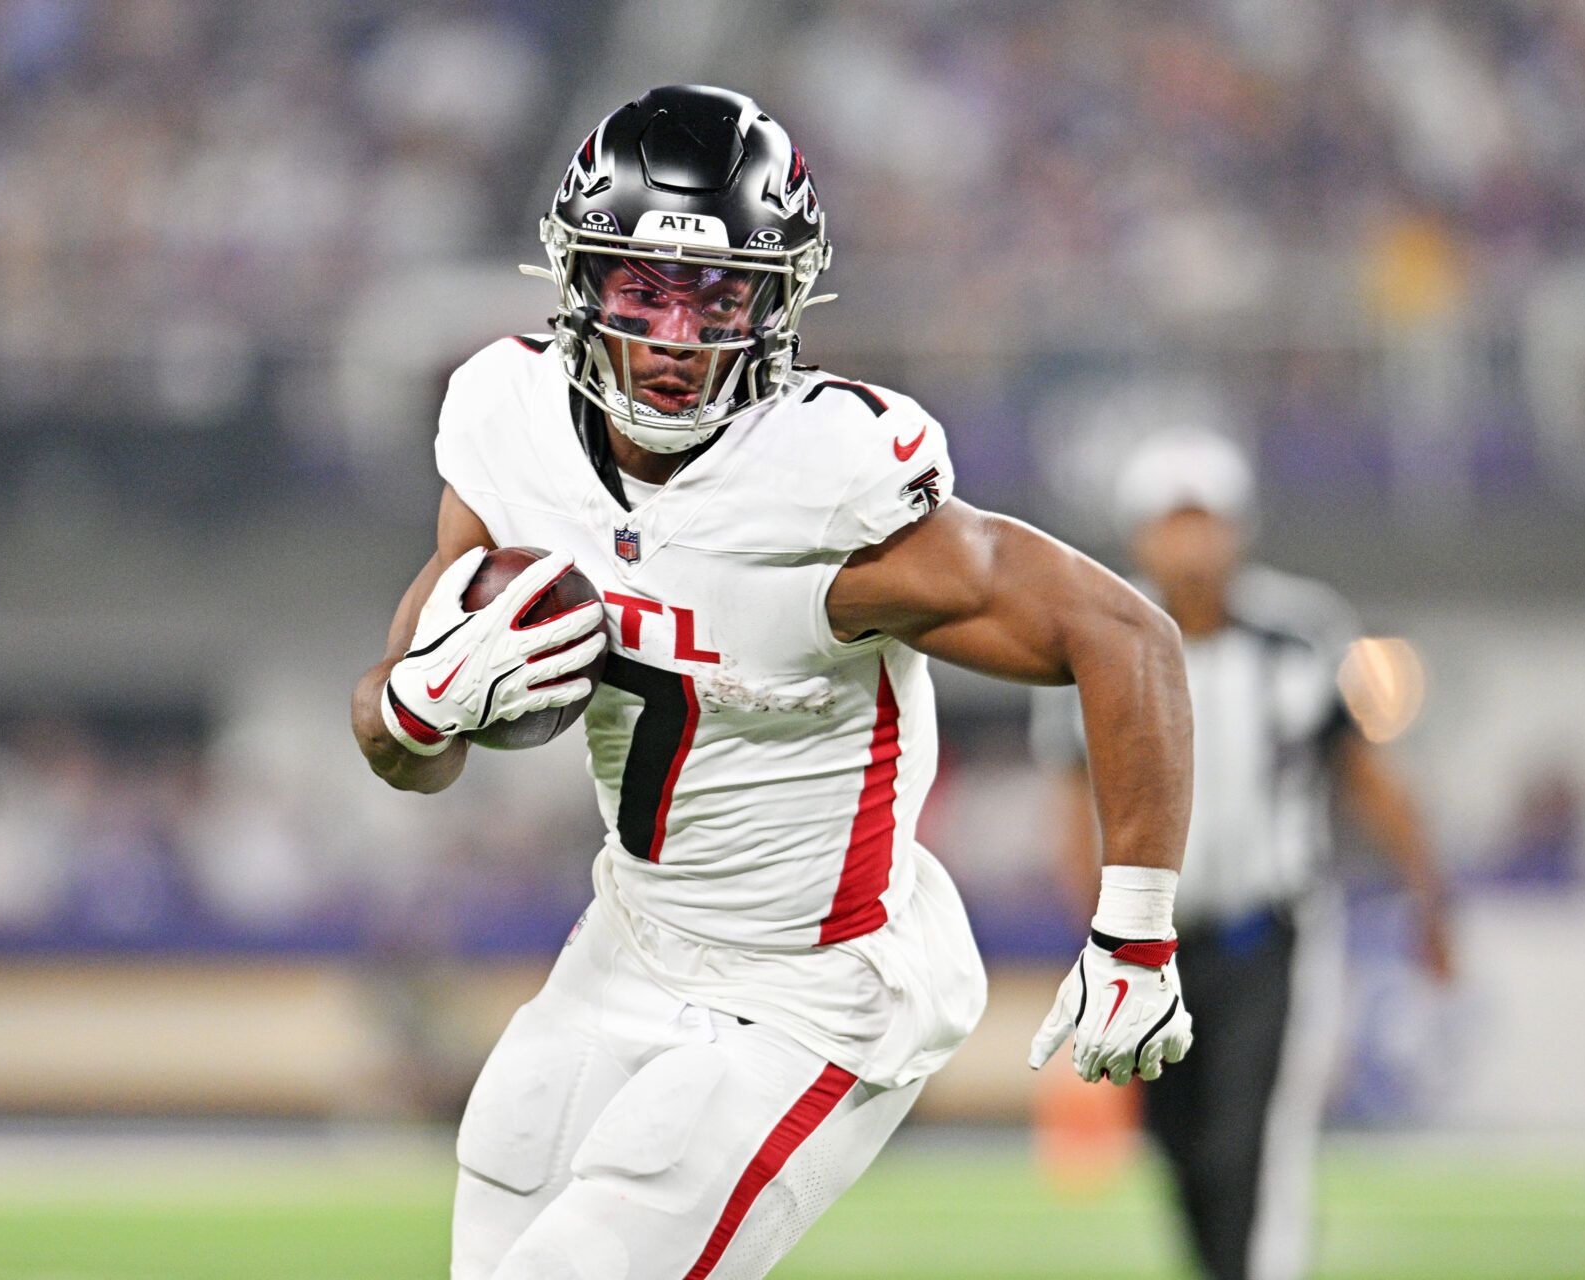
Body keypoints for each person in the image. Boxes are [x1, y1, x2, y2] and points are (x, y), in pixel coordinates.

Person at [351, 85, 1198, 1280]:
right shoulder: (509, 424)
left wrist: (1139, 934)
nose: (678, 335)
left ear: (780, 299)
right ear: (579, 283)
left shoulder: (825, 483)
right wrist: (416, 701)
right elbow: (398, 744)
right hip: (631, 937)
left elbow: (1128, 636)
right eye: (644, 289)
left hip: (817, 982)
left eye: (719, 294)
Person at [1032, 429, 1455, 1280]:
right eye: (1172, 522)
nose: (1190, 544)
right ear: (1140, 534)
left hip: (1273, 938)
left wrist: (1428, 899)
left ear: (1238, 529)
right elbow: (1074, 806)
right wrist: (1094, 942)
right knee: (1183, 1154)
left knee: (1253, 1153)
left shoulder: (1299, 633)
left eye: (1205, 521)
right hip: (1158, 947)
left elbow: (1367, 774)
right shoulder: (1104, 636)